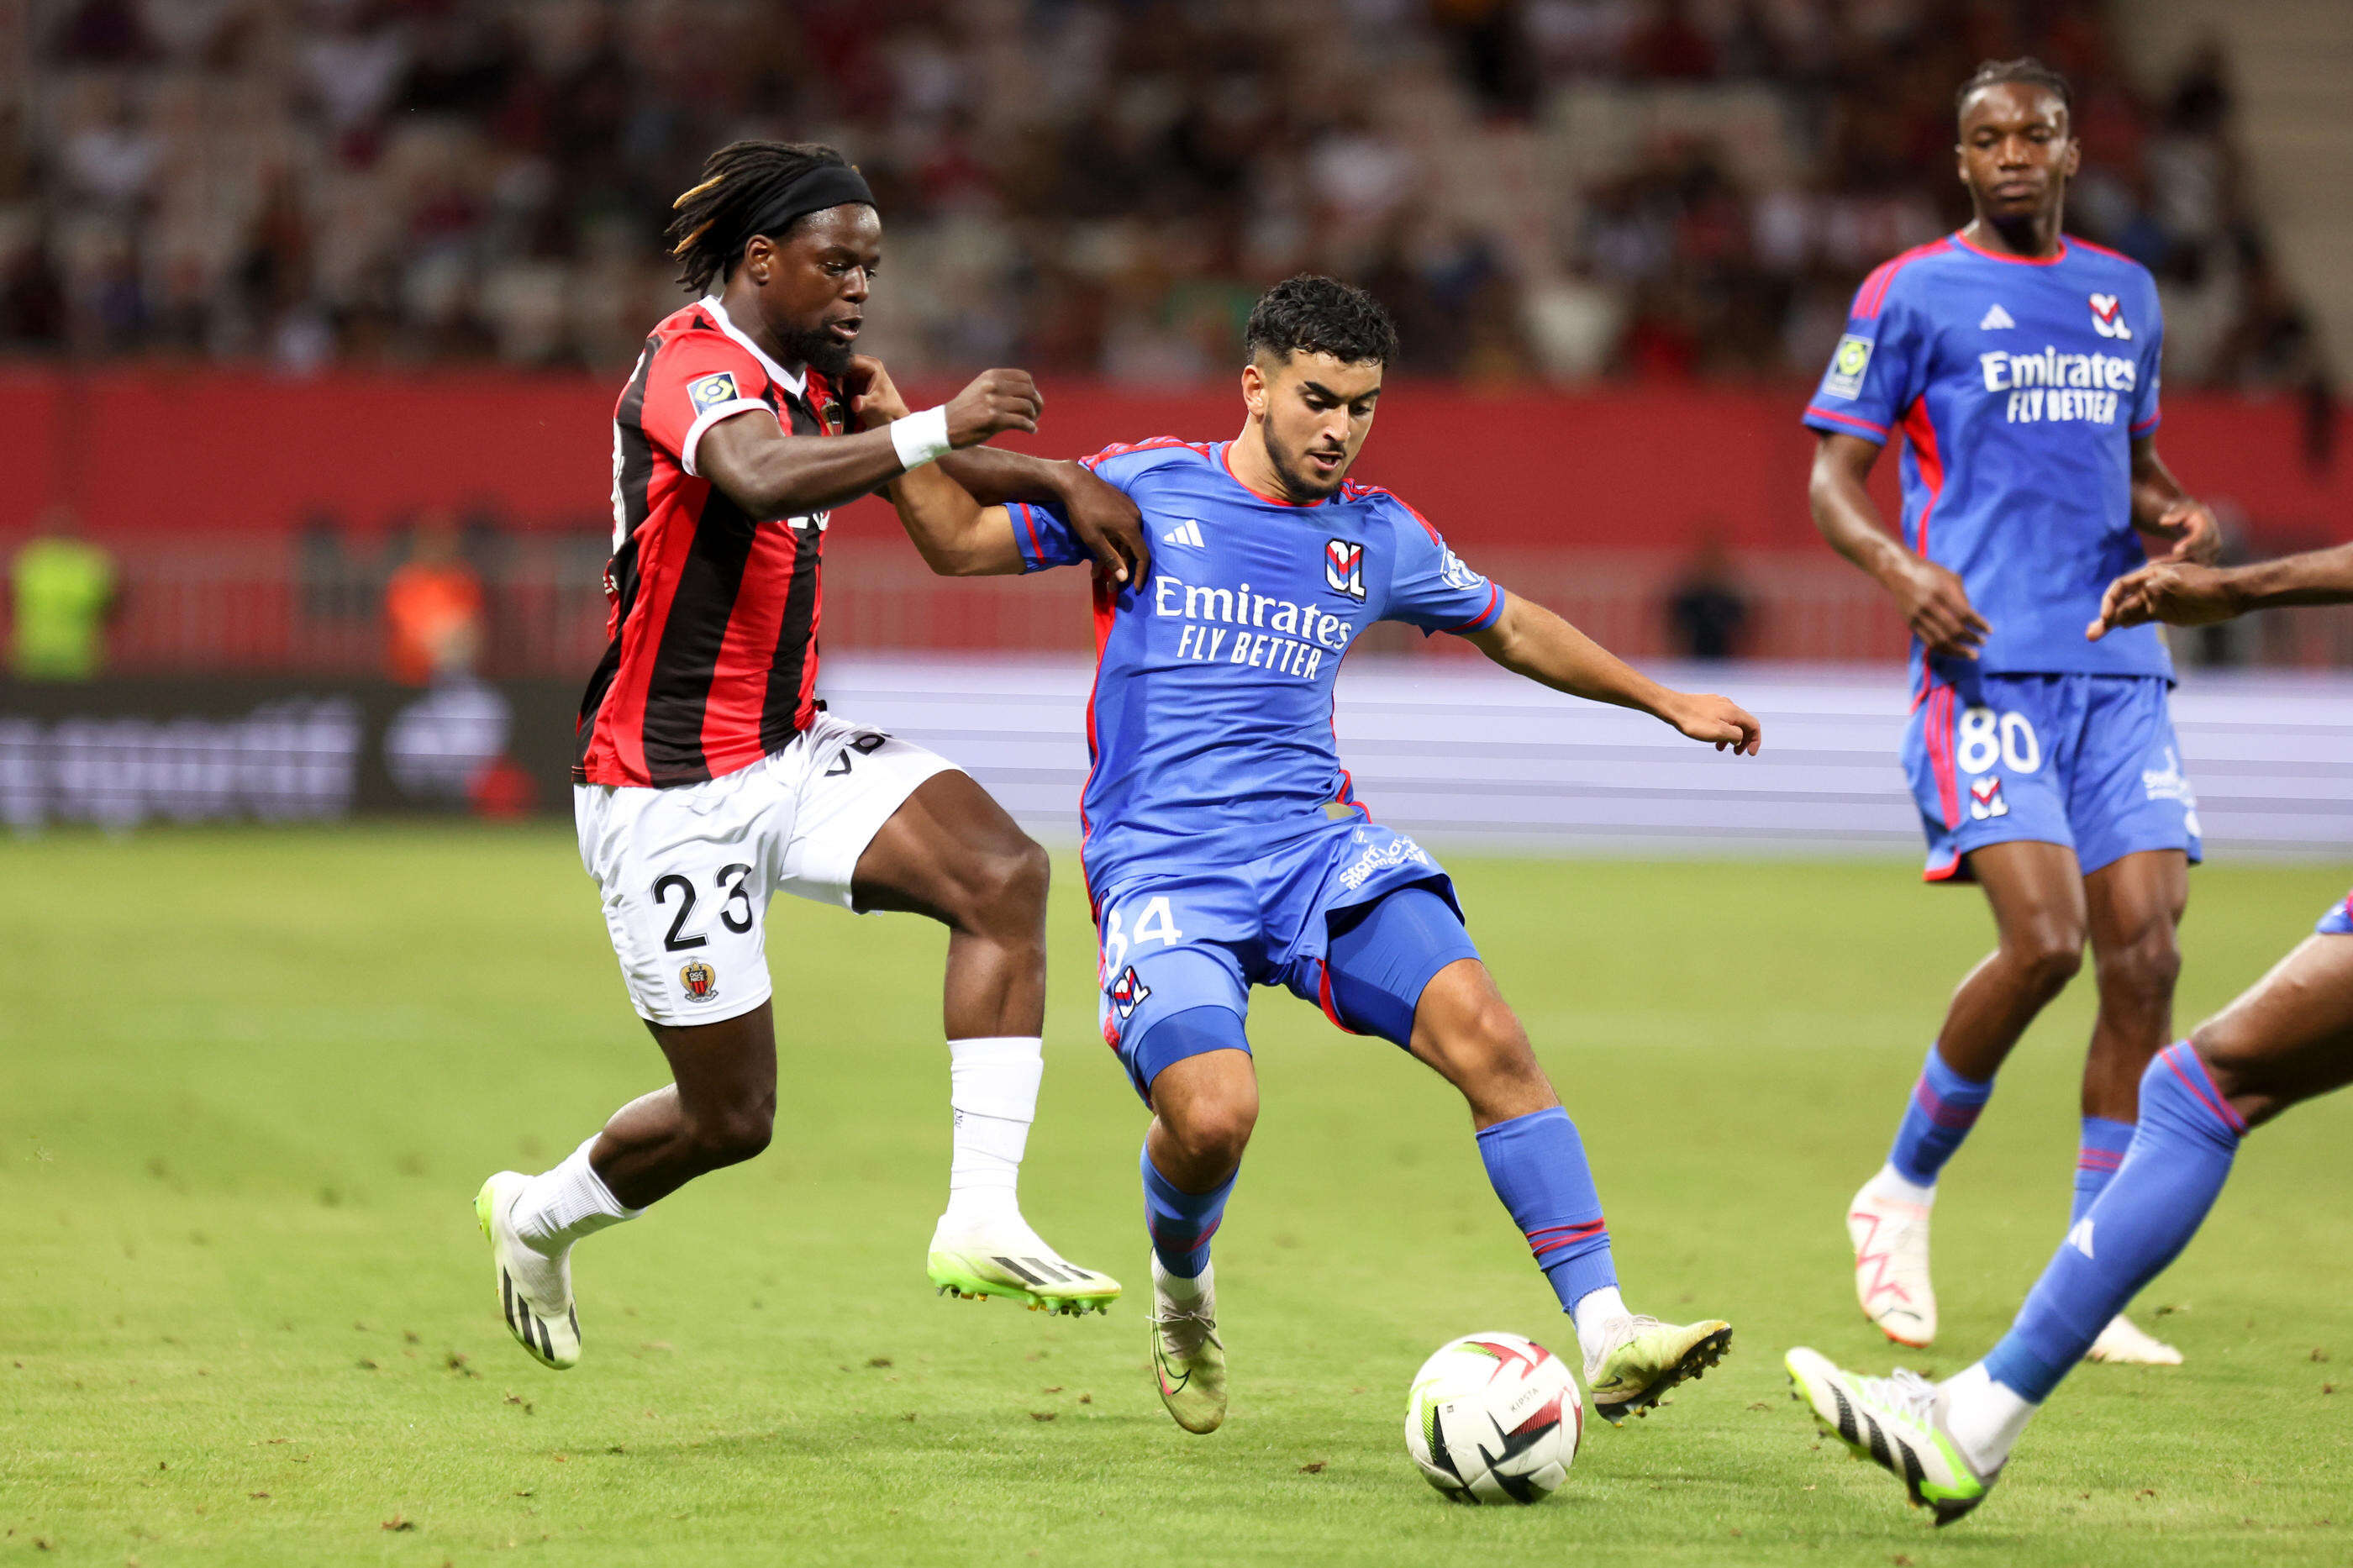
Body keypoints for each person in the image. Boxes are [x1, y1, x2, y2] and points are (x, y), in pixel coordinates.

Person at [866, 273, 1761, 1435]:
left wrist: (1663, 698)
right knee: (1216, 1114)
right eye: (1318, 398)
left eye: (1364, 407)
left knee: (1489, 1035)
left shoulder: (1379, 536)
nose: (1339, 429)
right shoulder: (1145, 487)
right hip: (1165, 867)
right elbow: (955, 540)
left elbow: (1513, 622)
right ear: (1256, 385)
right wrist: (896, 435)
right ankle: (1184, 1292)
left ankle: (1607, 1329)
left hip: (1315, 850)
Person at [473, 140, 1150, 1371]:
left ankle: (981, 1214)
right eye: (838, 263)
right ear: (762, 258)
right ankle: (539, 1213)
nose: (859, 288)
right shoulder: (693, 365)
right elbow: (758, 475)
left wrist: (1056, 476)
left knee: (1003, 873)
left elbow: (922, 467)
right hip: (663, 790)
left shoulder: (816, 375)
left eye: (873, 267)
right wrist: (933, 421)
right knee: (733, 1118)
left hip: (790, 750)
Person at [1787, 538, 2353, 1524]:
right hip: (2009, 661)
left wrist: (2230, 590)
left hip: (2100, 675)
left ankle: (1971, 1423)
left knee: (2197, 1086)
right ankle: (1911, 1213)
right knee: (2081, 973)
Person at [1803, 58, 2220, 1365]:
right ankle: (1901, 1191)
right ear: (1963, 161)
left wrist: (2174, 510)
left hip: (2120, 668)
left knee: (2145, 958)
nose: (2015, 154)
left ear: (2072, 151)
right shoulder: (1911, 292)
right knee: (2046, 941)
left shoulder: (2126, 295)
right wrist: (1904, 572)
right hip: (1986, 663)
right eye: (1990, 138)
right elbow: (1833, 477)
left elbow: (2131, 461)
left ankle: (2089, 1275)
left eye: (2037, 133)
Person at [8, 508, 116, 681]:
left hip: (34, 652)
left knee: (30, 705)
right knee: (77, 706)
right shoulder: (90, 563)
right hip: (78, 655)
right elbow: (109, 607)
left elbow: (13, 601)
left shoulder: (32, 559)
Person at [383, 510, 483, 686]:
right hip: (414, 659)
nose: (437, 548)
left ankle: (457, 685)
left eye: (442, 541)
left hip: (453, 655)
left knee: (461, 632)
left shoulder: (461, 577)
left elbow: (470, 616)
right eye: (431, 541)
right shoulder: (407, 578)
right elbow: (404, 623)